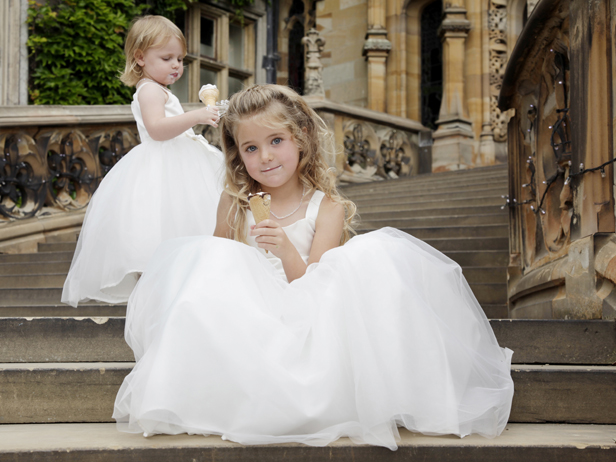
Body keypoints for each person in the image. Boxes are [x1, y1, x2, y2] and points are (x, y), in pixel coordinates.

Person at [113, 84, 514, 450]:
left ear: (300, 138)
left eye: (275, 141)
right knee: (208, 257)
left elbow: (319, 289)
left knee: (372, 257)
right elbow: (214, 282)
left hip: (308, 318)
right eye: (250, 148)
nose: (265, 156)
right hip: (249, 320)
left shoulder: (327, 207)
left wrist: (286, 248)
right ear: (237, 153)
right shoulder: (234, 202)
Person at [62, 16, 225, 307]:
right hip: (164, 166)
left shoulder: (159, 90)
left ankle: (174, 296)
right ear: (139, 57)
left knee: (182, 228)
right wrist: (197, 116)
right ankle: (163, 299)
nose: (176, 64)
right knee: (165, 229)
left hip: (178, 162)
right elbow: (157, 129)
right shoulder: (150, 90)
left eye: (179, 58)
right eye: (166, 57)